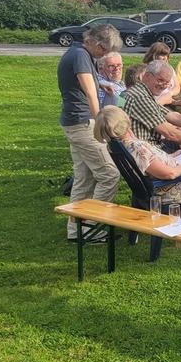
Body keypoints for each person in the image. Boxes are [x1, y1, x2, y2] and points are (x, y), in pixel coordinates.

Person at [57, 23, 122, 242]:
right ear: (94, 42)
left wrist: (101, 83)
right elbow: (90, 93)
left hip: (73, 122)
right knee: (109, 175)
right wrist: (100, 124)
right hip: (83, 123)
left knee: (83, 179)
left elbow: (86, 82)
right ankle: (93, 229)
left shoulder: (78, 52)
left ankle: (76, 231)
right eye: (104, 50)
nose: (104, 54)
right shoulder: (81, 56)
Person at [142, 42, 181, 113]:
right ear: (154, 55)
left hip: (171, 98)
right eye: (162, 55)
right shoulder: (147, 69)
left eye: (166, 55)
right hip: (157, 100)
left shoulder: (168, 68)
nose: (165, 58)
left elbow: (177, 86)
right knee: (174, 115)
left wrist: (170, 94)